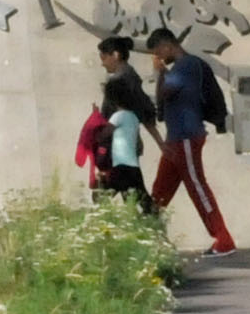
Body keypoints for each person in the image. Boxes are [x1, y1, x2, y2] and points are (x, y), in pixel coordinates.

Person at [143, 26, 238, 254]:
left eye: (158, 52)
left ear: (167, 45)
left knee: (197, 187)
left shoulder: (186, 65)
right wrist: (162, 74)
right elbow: (163, 99)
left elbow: (164, 94)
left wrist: (159, 73)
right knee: (160, 190)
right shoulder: (181, 67)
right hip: (176, 138)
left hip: (186, 136)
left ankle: (223, 240)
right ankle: (145, 236)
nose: (158, 57)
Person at [76, 31, 157, 214]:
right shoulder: (127, 76)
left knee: (112, 192)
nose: (102, 63)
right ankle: (145, 219)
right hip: (123, 147)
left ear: (116, 55)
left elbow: (142, 110)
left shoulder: (122, 80)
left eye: (104, 58)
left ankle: (143, 218)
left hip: (117, 148)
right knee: (131, 193)